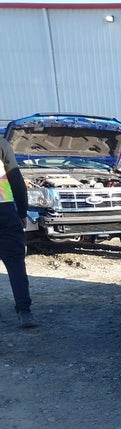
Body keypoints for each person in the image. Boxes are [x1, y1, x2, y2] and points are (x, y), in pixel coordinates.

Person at [0, 136, 36, 328]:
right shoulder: (1, 144)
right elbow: (16, 180)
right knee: (15, 264)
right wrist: (22, 212)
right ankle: (24, 311)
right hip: (4, 212)